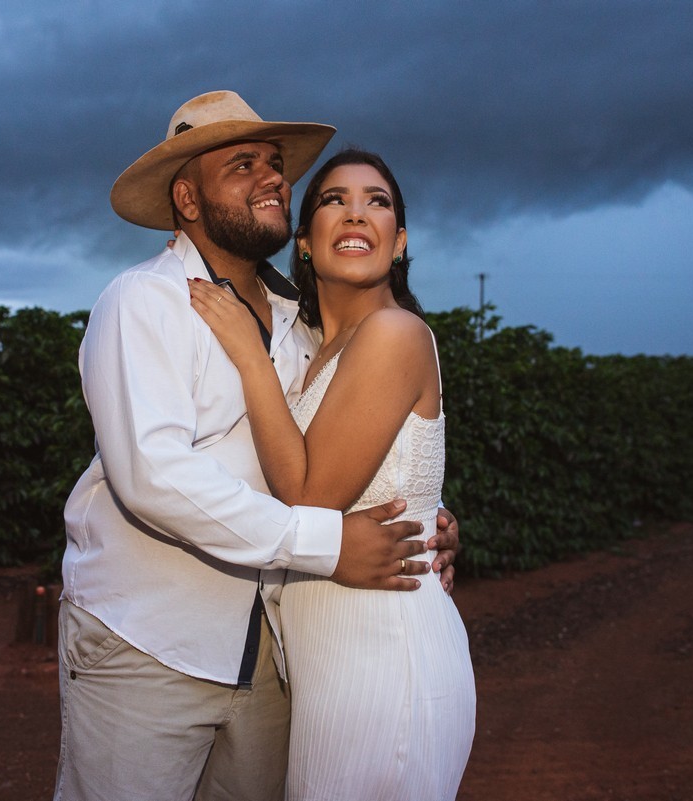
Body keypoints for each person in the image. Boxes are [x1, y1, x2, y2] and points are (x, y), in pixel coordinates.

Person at [56, 91, 462, 801]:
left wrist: (422, 514)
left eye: (275, 165)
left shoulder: (302, 323)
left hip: (280, 661)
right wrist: (328, 541)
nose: (272, 177)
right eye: (242, 165)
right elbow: (151, 474)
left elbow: (353, 437)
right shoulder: (143, 301)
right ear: (187, 196)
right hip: (149, 643)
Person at [188, 148, 476, 800]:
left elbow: (311, 498)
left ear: (399, 243)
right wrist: (437, 515)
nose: (357, 212)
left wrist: (249, 356)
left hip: (385, 654)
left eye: (378, 201)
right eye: (334, 199)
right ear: (307, 242)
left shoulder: (394, 334)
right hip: (332, 664)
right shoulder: (318, 353)